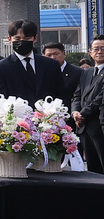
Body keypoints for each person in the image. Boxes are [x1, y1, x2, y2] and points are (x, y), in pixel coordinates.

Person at [0, 19, 63, 106]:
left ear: (35, 39)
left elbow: (61, 94)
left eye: (26, 38)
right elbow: (0, 100)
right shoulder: (0, 68)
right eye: (17, 38)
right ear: (10, 39)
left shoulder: (51, 65)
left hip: (48, 117)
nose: (22, 41)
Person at [75, 36, 104, 173]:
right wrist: (75, 112)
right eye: (96, 49)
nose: (99, 52)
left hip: (99, 126)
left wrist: (83, 114)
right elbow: (77, 95)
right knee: (92, 171)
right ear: (90, 52)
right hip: (84, 128)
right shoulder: (86, 73)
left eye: (103, 49)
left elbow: (100, 98)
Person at [44, 41, 84, 109]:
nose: (53, 57)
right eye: (49, 55)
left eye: (56, 54)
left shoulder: (78, 72)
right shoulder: (42, 73)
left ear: (64, 54)